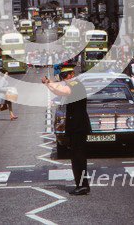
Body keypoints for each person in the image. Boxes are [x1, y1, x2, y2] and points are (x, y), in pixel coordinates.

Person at [43, 65, 91, 195]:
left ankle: (82, 186)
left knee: (78, 157)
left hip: (78, 127)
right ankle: (81, 184)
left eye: (65, 76)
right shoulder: (74, 84)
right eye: (62, 77)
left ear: (71, 75)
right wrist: (50, 83)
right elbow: (60, 88)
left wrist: (48, 83)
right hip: (76, 126)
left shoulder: (76, 84)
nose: (64, 79)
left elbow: (62, 91)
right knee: (76, 157)